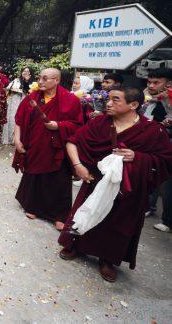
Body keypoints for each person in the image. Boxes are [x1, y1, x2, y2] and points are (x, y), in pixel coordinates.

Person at [59, 87, 172, 282]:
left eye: (115, 100)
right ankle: (75, 245)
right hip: (95, 179)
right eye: (108, 99)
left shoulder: (152, 131)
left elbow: (165, 160)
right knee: (86, 211)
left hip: (127, 188)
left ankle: (107, 259)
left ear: (133, 105)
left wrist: (139, 157)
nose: (108, 103)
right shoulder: (100, 123)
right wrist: (78, 166)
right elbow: (73, 141)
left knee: (118, 222)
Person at [14, 68, 83, 230]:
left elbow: (78, 125)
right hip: (35, 145)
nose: (40, 81)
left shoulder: (70, 100)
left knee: (58, 180)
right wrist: (17, 140)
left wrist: (59, 125)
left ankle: (59, 215)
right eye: (39, 78)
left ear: (57, 80)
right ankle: (32, 206)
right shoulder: (33, 97)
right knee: (34, 176)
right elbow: (19, 119)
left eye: (45, 79)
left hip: (57, 147)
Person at [141, 68, 172, 218]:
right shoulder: (145, 99)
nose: (151, 85)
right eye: (149, 82)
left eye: (156, 82)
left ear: (169, 84)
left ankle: (163, 217)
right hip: (145, 142)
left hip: (164, 145)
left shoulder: (168, 101)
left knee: (160, 179)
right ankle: (145, 205)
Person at [2, 67, 32, 145]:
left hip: (24, 102)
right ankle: (11, 138)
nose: (25, 72)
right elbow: (8, 89)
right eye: (24, 71)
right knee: (13, 118)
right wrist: (13, 90)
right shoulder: (16, 80)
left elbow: (27, 91)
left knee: (22, 119)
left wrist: (26, 81)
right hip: (14, 102)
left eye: (27, 71)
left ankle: (18, 139)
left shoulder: (32, 82)